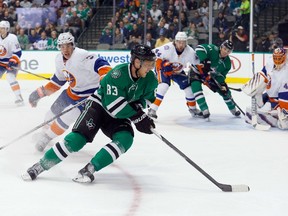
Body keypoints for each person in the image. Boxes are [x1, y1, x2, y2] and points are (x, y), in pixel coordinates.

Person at [22, 44, 158, 182]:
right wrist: (138, 116)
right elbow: (113, 106)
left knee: (126, 139)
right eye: (148, 64)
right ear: (136, 62)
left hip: (120, 113)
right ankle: (40, 165)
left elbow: (148, 99)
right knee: (77, 140)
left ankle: (90, 169)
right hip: (99, 106)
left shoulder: (150, 79)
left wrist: (139, 106)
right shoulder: (118, 74)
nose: (151, 67)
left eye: (152, 64)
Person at [28, 32, 112, 152]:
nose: (65, 49)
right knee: (51, 113)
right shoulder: (58, 59)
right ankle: (44, 132)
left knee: (67, 117)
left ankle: (47, 137)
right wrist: (40, 93)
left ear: (73, 45)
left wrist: (105, 78)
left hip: (88, 96)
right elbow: (58, 81)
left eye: (68, 46)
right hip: (71, 93)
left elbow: (101, 65)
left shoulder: (81, 55)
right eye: (62, 46)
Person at [148, 32, 202, 119]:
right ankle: (153, 109)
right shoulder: (167, 48)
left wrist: (202, 75)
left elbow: (198, 64)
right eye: (179, 42)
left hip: (178, 71)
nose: (181, 44)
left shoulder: (190, 52)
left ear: (186, 43)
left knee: (189, 89)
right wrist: (163, 66)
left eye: (183, 42)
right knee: (163, 86)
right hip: (163, 70)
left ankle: (193, 109)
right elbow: (156, 57)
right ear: (175, 41)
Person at [189, 40, 241, 119]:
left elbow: (221, 75)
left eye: (228, 51)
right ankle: (204, 109)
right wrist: (205, 60)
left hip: (209, 76)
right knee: (196, 88)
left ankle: (233, 109)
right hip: (196, 71)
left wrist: (221, 84)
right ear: (221, 47)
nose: (225, 51)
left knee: (225, 91)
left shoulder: (227, 63)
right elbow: (199, 48)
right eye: (225, 48)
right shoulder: (213, 49)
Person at [242, 48, 288, 129]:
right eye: (276, 58)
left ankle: (281, 118)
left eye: (280, 58)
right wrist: (254, 85)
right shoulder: (270, 63)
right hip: (270, 97)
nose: (277, 61)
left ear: (284, 58)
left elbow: (284, 94)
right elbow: (262, 75)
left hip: (281, 99)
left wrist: (283, 109)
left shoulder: (286, 72)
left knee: (284, 124)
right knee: (254, 107)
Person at [0, 20, 23, 105]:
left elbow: (18, 52)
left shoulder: (12, 38)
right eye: (0, 28)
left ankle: (19, 98)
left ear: (7, 29)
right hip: (1, 63)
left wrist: (12, 62)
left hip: (12, 62)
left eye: (2, 28)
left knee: (10, 77)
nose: (0, 30)